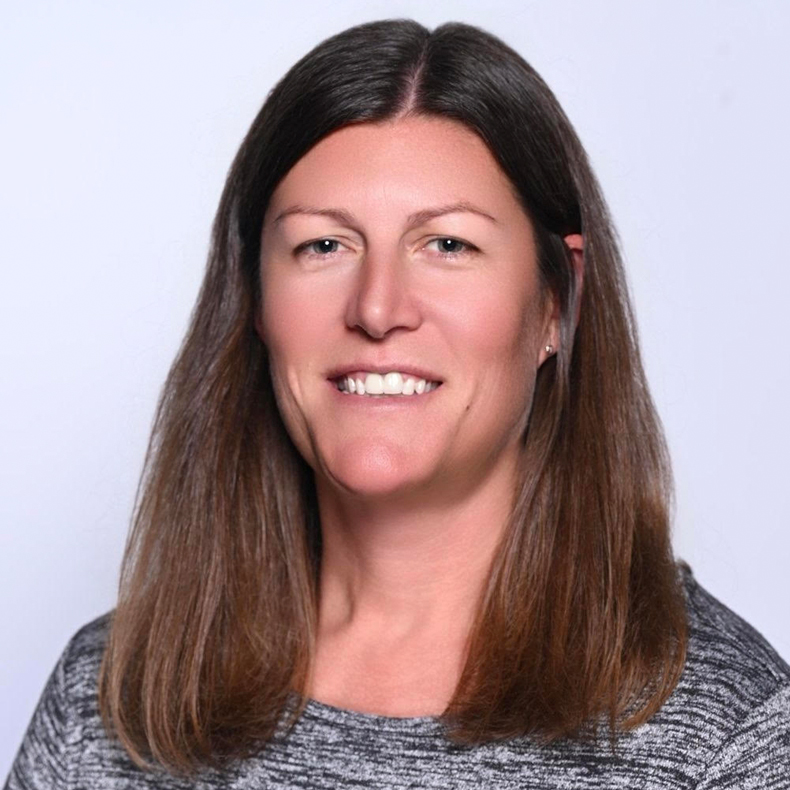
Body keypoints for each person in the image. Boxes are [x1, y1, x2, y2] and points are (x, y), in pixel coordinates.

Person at [5, 18, 789, 790]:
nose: (378, 309)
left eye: (448, 245)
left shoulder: (727, 735)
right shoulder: (108, 702)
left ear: (558, 300)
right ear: (252, 298)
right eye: (324, 245)